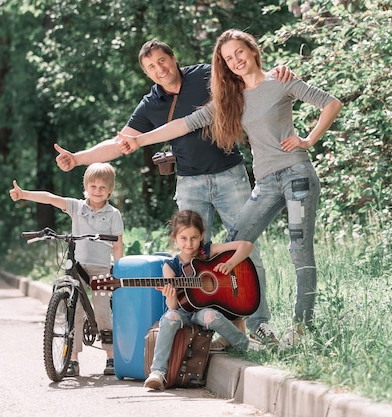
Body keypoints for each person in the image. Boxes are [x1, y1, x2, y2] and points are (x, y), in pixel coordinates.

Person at [55, 39, 293, 347]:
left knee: (245, 250)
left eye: (162, 61)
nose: (159, 69)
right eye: (151, 67)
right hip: (190, 183)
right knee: (192, 258)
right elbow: (120, 143)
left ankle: (260, 324)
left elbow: (246, 76)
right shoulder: (151, 104)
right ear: (146, 72)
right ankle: (213, 327)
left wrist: (279, 71)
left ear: (173, 58)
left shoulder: (204, 75)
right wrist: (77, 158)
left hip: (230, 175)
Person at [118, 29, 343, 348]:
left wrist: (308, 139)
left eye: (240, 52)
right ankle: (237, 322)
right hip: (266, 182)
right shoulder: (230, 98)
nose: (235, 60)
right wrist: (138, 140)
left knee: (299, 249)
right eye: (227, 58)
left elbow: (331, 103)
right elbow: (186, 123)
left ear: (252, 50)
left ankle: (302, 328)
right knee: (236, 242)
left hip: (297, 175)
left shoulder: (280, 80)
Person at [9, 162, 124, 375]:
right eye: (93, 186)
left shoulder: (113, 213)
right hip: (77, 265)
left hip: (100, 268)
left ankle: (111, 357)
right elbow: (51, 198)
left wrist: (118, 269)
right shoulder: (76, 207)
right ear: (85, 187)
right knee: (75, 311)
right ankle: (72, 359)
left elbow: (117, 244)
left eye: (102, 188)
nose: (97, 191)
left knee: (102, 311)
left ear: (110, 190)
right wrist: (24, 194)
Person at [144, 210, 256, 390]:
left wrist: (230, 264)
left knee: (212, 316)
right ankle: (158, 372)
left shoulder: (207, 251)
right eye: (183, 238)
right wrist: (170, 296)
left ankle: (245, 345)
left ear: (202, 235)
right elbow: (172, 308)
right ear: (175, 238)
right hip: (182, 313)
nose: (189, 244)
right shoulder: (170, 266)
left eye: (194, 238)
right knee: (169, 318)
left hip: (202, 312)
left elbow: (247, 245)